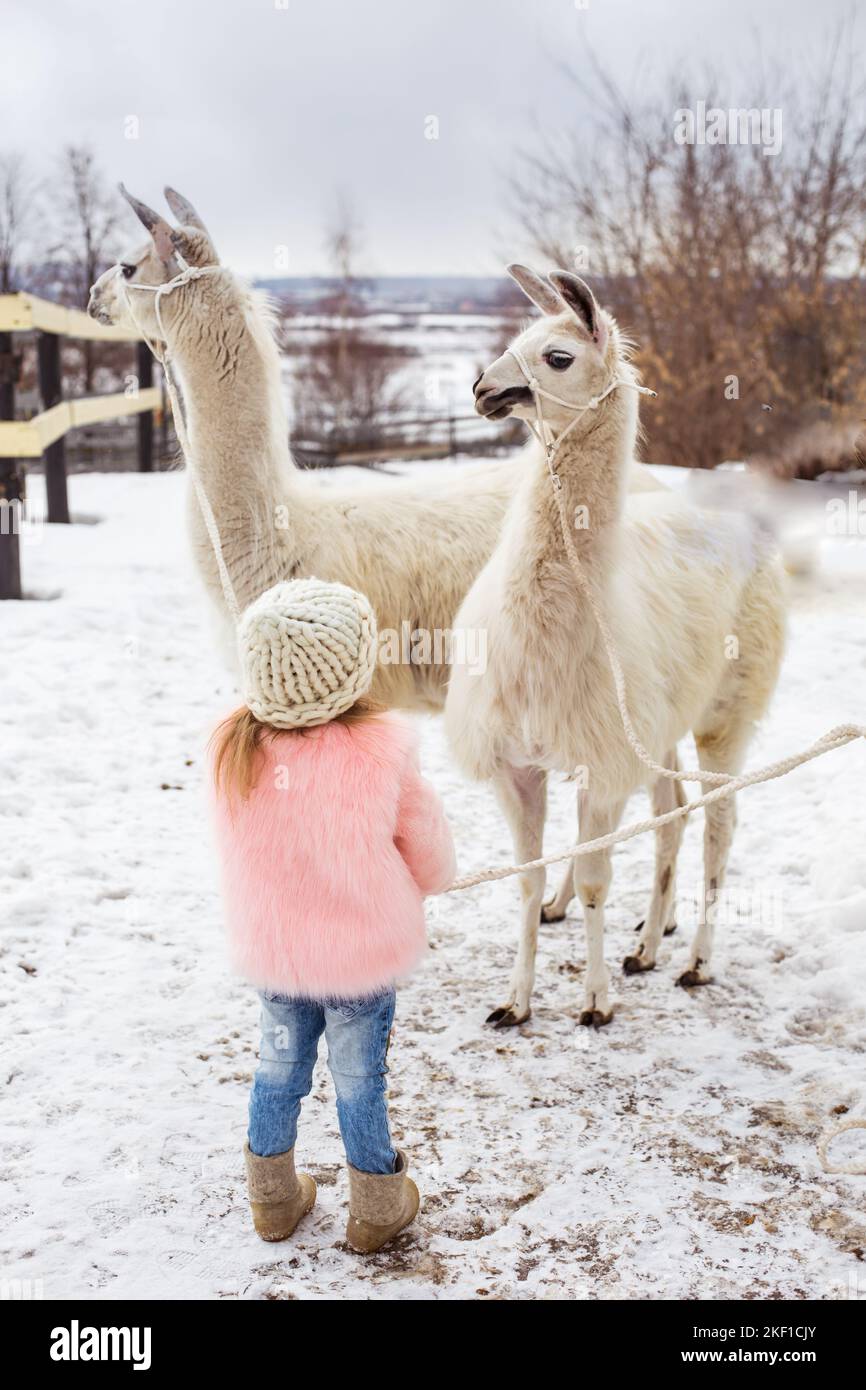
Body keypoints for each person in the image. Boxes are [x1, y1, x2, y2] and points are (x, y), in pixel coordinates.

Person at [210, 578, 456, 1252]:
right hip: (360, 958)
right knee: (358, 1079)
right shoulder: (383, 749)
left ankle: (273, 1200)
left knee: (278, 1068)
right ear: (351, 666)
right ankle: (377, 1207)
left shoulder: (233, 745)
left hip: (279, 955)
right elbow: (428, 850)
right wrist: (427, 882)